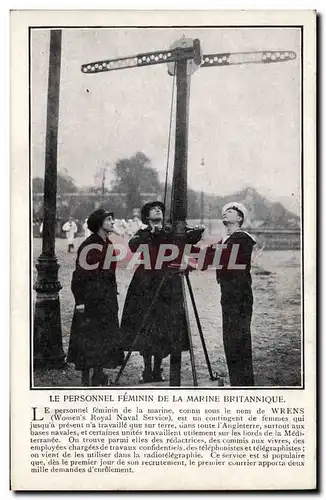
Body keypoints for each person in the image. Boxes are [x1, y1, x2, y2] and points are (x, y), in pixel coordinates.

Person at [120, 201, 205, 384]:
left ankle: (157, 367)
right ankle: (147, 368)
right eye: (153, 209)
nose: (157, 210)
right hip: (145, 282)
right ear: (147, 216)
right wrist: (152, 234)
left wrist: (196, 232)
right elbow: (133, 245)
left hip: (166, 281)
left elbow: (187, 239)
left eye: (159, 208)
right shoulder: (143, 233)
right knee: (145, 323)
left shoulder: (170, 232)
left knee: (163, 325)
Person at [67, 209, 124, 386]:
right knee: (88, 339)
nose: (113, 222)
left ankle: (98, 375)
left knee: (103, 337)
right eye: (109, 220)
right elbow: (79, 276)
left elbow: (110, 273)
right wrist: (80, 301)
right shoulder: (89, 245)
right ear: (100, 223)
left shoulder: (109, 244)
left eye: (112, 219)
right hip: (91, 300)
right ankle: (86, 381)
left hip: (106, 299)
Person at [201, 202, 256, 386]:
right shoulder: (225, 239)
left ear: (239, 218)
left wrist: (205, 251)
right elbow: (206, 257)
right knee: (230, 337)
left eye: (230, 212)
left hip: (240, 295)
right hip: (228, 293)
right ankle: (237, 381)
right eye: (224, 212)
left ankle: (244, 383)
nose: (225, 214)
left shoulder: (243, 238)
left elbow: (225, 256)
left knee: (238, 337)